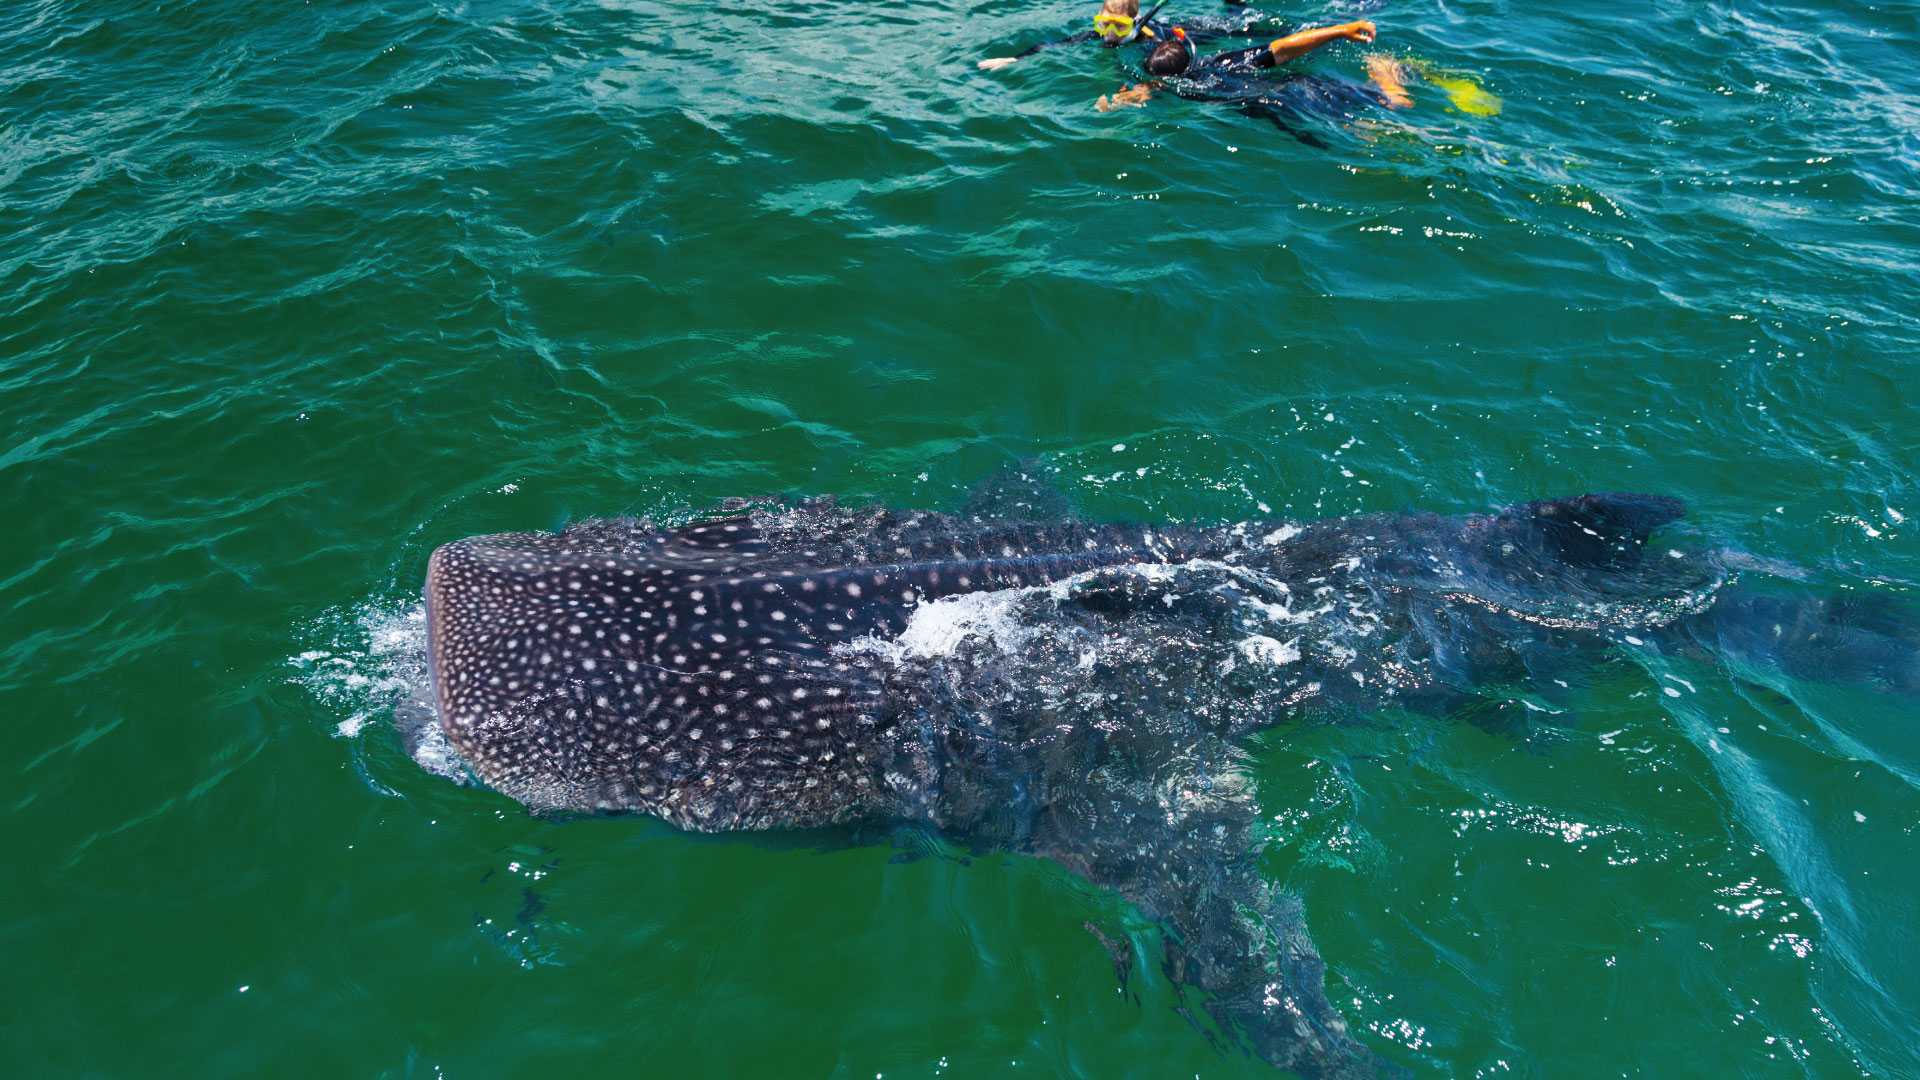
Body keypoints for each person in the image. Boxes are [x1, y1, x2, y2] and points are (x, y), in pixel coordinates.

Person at [1095, 22, 1414, 143]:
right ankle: (1388, 83)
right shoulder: (1222, 63)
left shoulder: (1178, 86)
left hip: (1278, 105)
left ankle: (1383, 97)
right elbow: (1283, 47)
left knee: (1358, 130)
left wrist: (1116, 103)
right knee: (1388, 106)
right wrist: (1341, 30)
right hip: (1294, 88)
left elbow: (1148, 90)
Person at [977, 0, 1276, 71]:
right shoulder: (1100, 34)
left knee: (1238, 28)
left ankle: (1237, 5)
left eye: (1117, 28)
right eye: (1102, 25)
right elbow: (1051, 45)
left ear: (1134, 23)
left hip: (1187, 31)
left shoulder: (1151, 40)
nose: (1108, 35)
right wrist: (1013, 59)